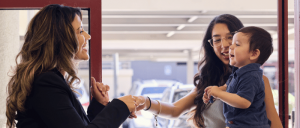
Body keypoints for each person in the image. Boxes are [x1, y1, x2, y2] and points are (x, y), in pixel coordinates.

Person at [129, 14, 283, 128]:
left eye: (230, 38)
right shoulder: (208, 82)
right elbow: (175, 110)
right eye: (216, 40)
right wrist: (146, 102)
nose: (225, 45)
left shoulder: (257, 79)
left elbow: (274, 124)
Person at [6, 4, 143, 128]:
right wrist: (120, 107)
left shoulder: (50, 80)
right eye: (80, 31)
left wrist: (99, 105)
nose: (88, 36)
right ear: (60, 39)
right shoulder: (46, 83)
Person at [204, 26, 273, 128]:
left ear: (254, 54)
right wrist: (216, 90)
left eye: (237, 44)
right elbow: (229, 85)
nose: (230, 47)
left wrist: (219, 93)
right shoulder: (239, 71)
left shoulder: (251, 75)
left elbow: (244, 102)